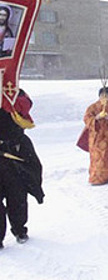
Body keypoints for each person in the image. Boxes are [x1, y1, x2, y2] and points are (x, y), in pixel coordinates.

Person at [0, 90, 44, 249]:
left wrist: (8, 101)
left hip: (14, 151)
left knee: (17, 195)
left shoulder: (13, 90)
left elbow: (26, 106)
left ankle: (19, 229)